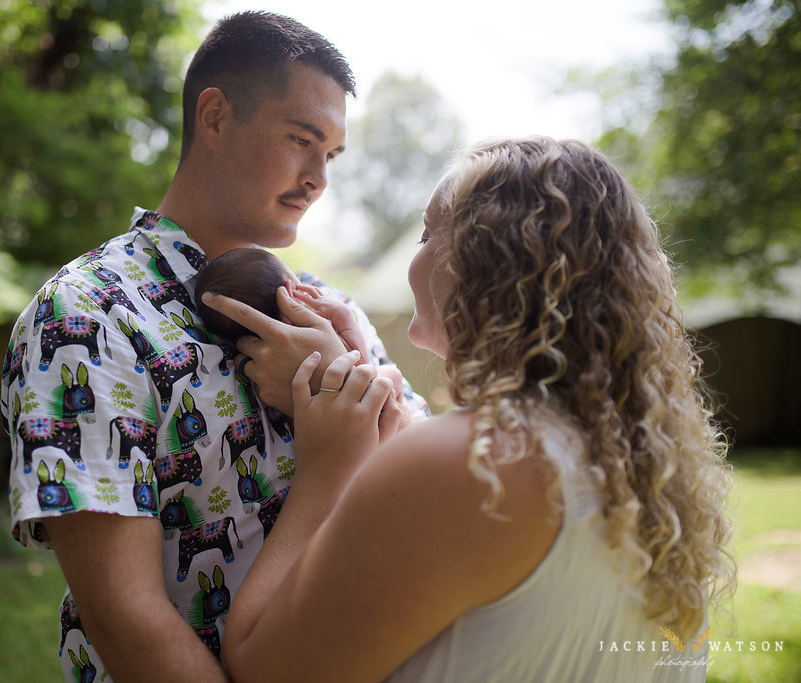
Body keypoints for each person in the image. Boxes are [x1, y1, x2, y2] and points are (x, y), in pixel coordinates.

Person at [207, 137, 736, 681]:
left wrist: (328, 466)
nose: (415, 254)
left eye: (426, 234)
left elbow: (262, 667)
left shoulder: (467, 466)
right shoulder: (632, 459)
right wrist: (357, 372)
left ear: (479, 262)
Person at [0, 11, 426, 683]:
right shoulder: (91, 314)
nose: (320, 178)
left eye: (332, 155)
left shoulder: (325, 308)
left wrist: (344, 374)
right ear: (216, 116)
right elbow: (126, 620)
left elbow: (428, 483)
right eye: (301, 139)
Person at [193, 247, 370, 359]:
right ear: (290, 291)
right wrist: (344, 316)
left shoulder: (265, 357)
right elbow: (360, 363)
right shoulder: (312, 336)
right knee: (389, 376)